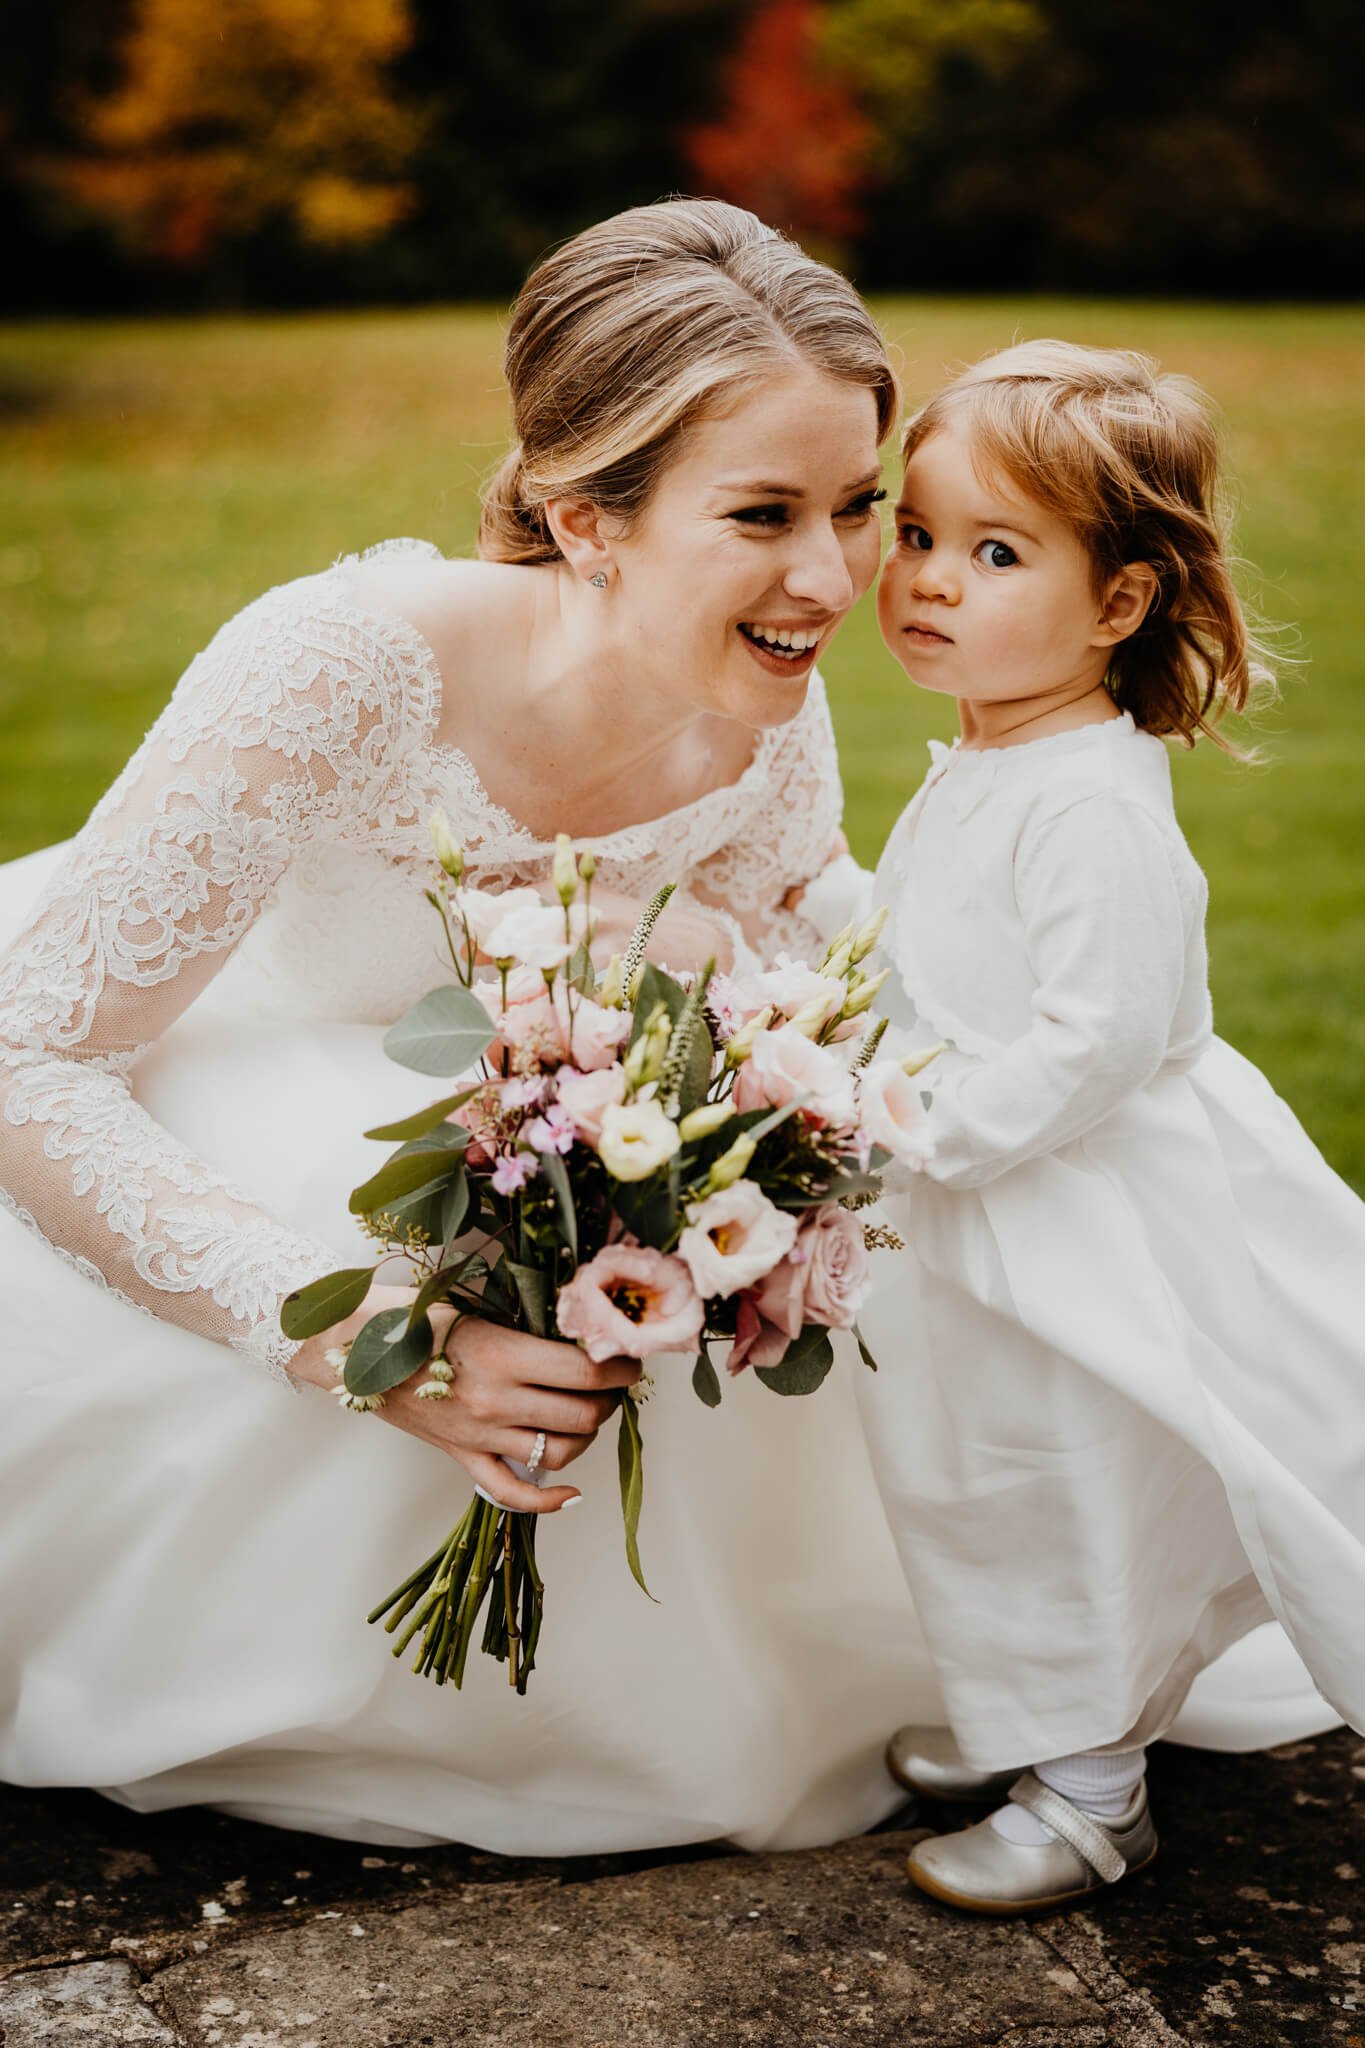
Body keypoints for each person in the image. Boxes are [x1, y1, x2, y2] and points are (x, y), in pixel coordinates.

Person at [0, 198, 956, 1854]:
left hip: (538, 1141)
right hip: (190, 1095)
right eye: (764, 514)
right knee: (338, 1198)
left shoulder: (756, 709)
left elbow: (814, 968)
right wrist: (389, 1344)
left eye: (856, 505)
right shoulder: (338, 665)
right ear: (587, 519)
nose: (831, 577)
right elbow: (26, 1059)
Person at [843, 340, 1364, 1912]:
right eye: (919, 534)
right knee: (970, 1471)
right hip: (982, 1203)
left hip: (1083, 1208)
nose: (929, 581)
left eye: (994, 553)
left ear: (1119, 603)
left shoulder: (1085, 800)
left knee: (1062, 1467)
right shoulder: (996, 751)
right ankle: (1036, 1713)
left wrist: (915, 1122)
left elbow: (1096, 1037)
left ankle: (1086, 1792)